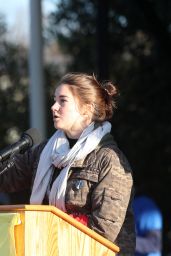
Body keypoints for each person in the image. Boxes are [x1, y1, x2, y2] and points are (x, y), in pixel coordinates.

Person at [0, 72, 135, 254]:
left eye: (62, 101)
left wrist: (54, 232)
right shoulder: (44, 151)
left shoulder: (109, 161)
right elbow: (7, 179)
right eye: (54, 100)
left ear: (86, 109)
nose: (53, 107)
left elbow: (102, 235)